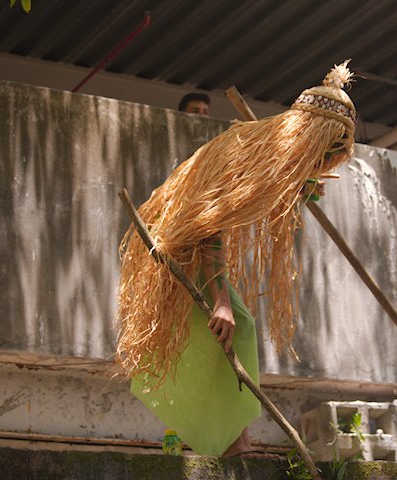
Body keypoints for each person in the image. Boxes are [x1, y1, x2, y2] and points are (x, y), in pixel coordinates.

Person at [117, 61, 357, 457]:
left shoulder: (270, 153)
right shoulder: (251, 153)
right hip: (177, 242)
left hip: (183, 239)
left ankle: (229, 438)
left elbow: (272, 193)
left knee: (227, 331)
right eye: (322, 150)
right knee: (233, 324)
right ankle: (231, 441)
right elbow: (207, 225)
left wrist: (302, 186)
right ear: (309, 134)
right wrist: (221, 300)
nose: (322, 158)